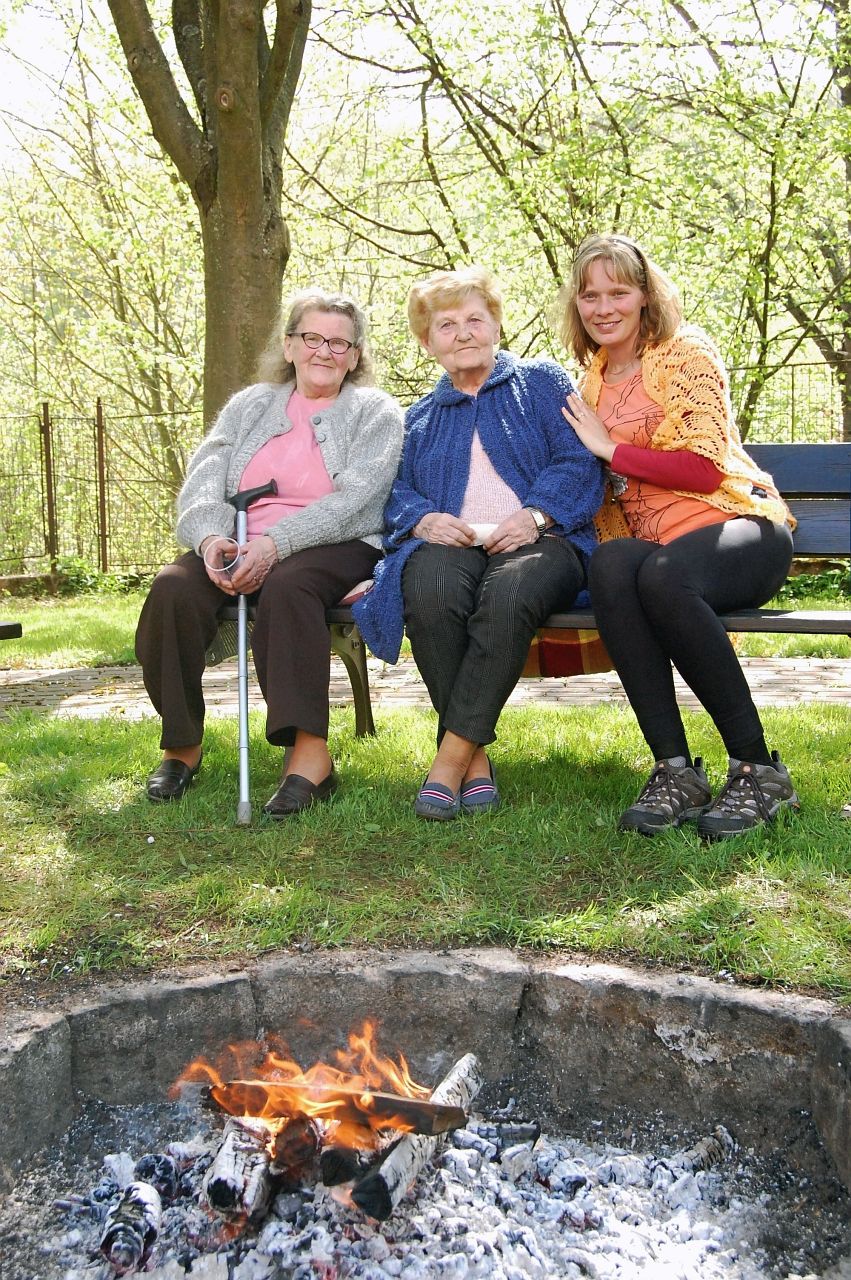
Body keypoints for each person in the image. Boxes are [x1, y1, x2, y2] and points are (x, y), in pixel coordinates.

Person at [559, 233, 797, 840]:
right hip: (662, 555)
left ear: (645, 295)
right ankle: (675, 771)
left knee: (663, 576)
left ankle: (758, 771)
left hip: (741, 531)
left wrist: (609, 448)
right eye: (590, 295)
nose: (604, 307)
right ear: (576, 305)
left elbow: (704, 468)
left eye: (618, 292)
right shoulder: (590, 382)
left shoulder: (685, 353)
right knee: (612, 564)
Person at [136, 289, 404, 815]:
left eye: (340, 343)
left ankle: (309, 755)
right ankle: (181, 745)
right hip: (238, 537)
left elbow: (359, 500)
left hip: (337, 542)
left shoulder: (376, 412)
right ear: (288, 345)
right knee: (172, 589)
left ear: (355, 356)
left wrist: (275, 545)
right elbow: (204, 477)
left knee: (289, 584)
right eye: (312, 338)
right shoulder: (249, 405)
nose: (324, 351)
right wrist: (211, 539)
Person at [354, 265, 604, 818]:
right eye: (446, 326)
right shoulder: (419, 418)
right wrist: (423, 520)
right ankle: (476, 760)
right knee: (428, 587)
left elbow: (578, 460)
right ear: (427, 343)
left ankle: (449, 761)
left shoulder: (542, 382)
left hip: (547, 540)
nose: (463, 333)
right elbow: (394, 491)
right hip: (454, 546)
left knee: (509, 592)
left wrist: (535, 515)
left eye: (474, 319)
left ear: (495, 324)